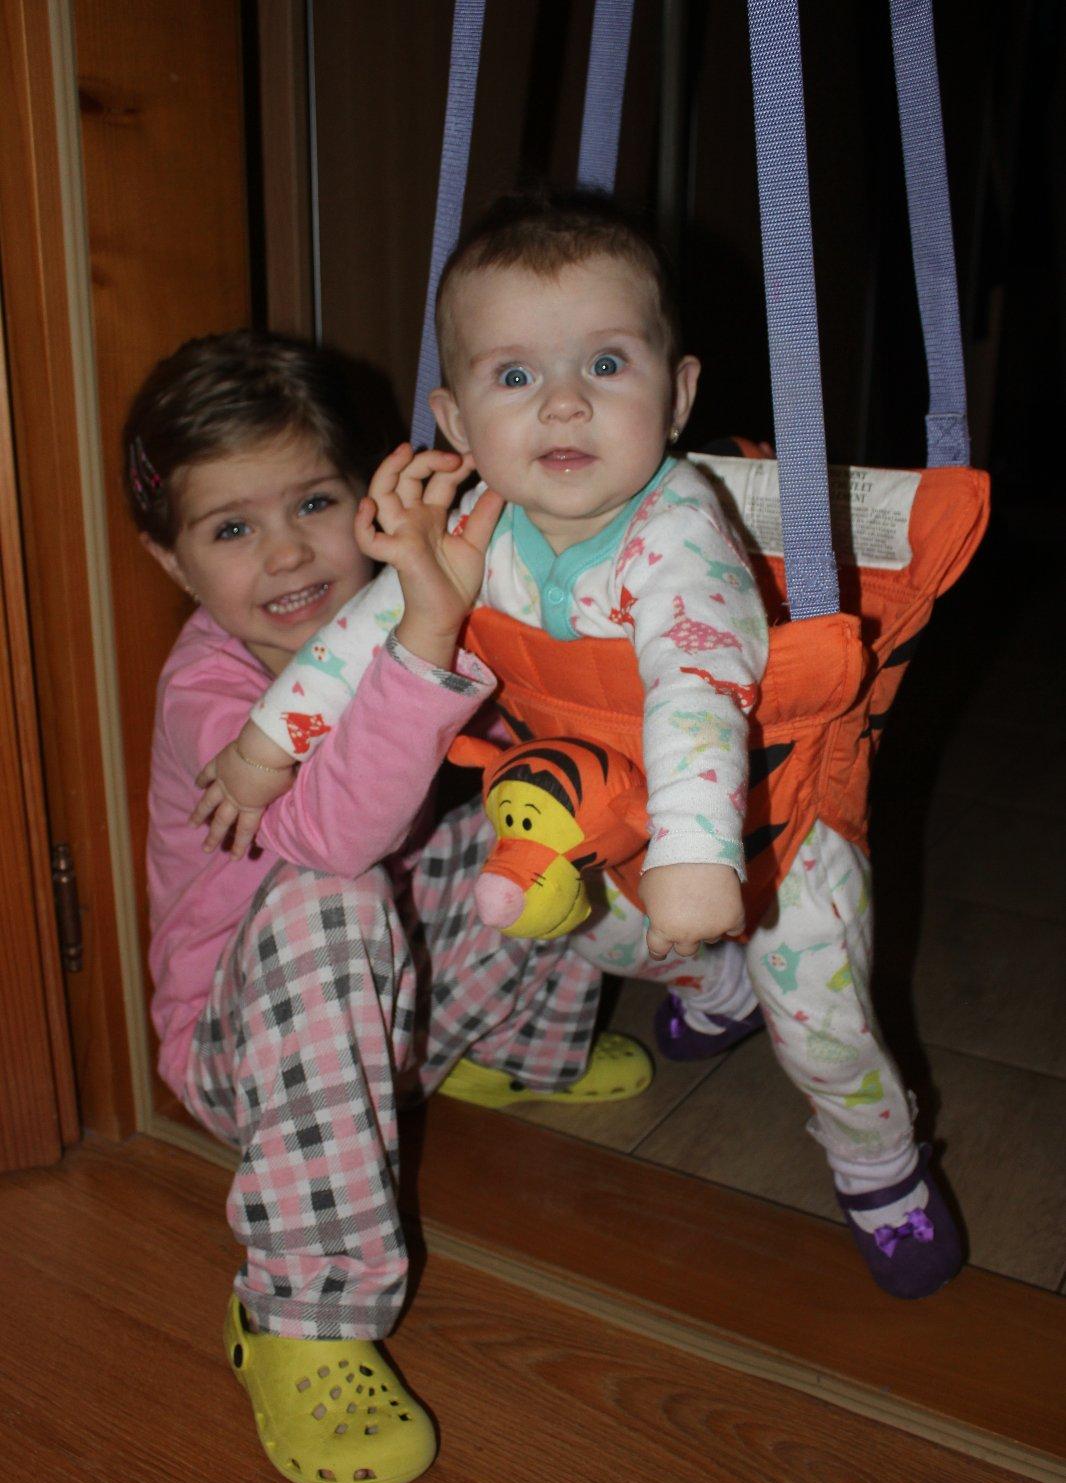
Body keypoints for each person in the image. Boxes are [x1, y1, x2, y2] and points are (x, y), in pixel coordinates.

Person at [196, 192, 964, 1300]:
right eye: (515, 376)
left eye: (606, 365)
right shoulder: (482, 525)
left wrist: (697, 855)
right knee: (581, 933)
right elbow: (367, 628)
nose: (563, 403)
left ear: (678, 395)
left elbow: (697, 691)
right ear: (458, 424)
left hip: (766, 823)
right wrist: (268, 746)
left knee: (823, 1027)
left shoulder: (679, 529)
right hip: (616, 820)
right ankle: (716, 980)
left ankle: (880, 1169)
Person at [130, 327, 647, 1483]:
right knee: (334, 894)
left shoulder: (386, 609)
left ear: (369, 500)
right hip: (250, 1048)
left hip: (389, 1003)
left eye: (315, 502)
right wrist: (423, 631)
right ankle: (300, 1314)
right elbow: (334, 839)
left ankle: (504, 1050)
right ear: (173, 562)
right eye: (230, 529)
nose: (288, 553)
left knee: (541, 812)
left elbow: (504, 749)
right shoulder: (209, 690)